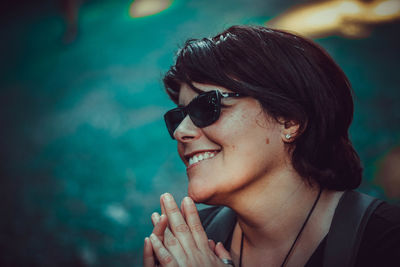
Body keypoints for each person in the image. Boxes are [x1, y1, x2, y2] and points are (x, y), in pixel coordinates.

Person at [142, 25, 400, 266]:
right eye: (178, 117)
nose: (181, 131)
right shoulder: (184, 248)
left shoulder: (386, 240)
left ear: (290, 121)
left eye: (205, 107)